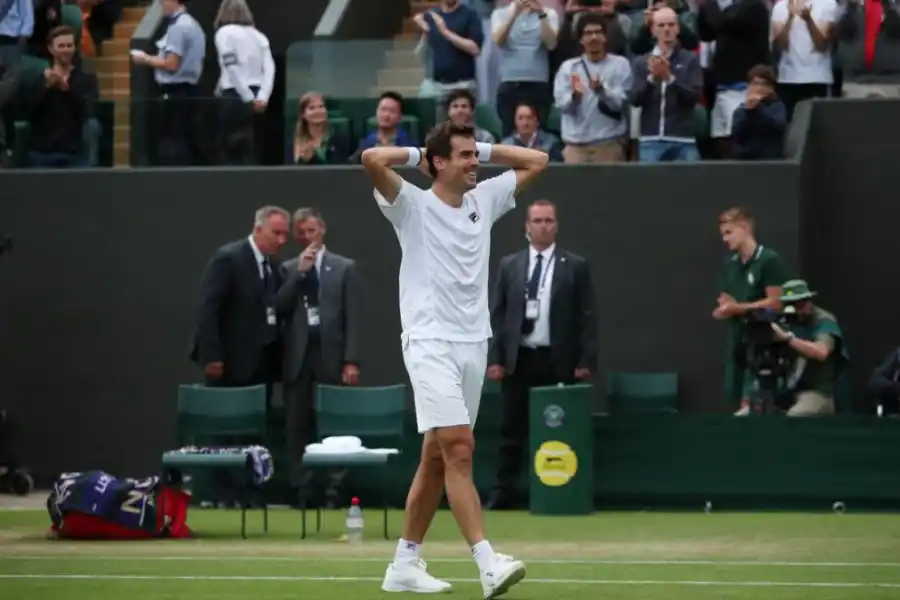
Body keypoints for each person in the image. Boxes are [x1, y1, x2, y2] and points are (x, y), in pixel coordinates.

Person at [361, 123, 549, 597]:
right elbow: (371, 159)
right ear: (438, 162)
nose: (475, 163)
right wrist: (418, 152)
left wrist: (480, 146)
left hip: (473, 342)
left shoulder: (484, 198)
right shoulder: (411, 205)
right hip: (428, 341)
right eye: (464, 156)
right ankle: (488, 563)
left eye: (476, 156)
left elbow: (538, 161)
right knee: (460, 448)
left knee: (436, 454)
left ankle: (404, 563)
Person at [485, 199, 597, 510]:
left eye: (549, 220)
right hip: (520, 358)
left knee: (558, 425)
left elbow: (587, 315)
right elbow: (497, 314)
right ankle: (503, 492)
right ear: (527, 227)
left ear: (556, 226)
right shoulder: (510, 265)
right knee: (511, 430)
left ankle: (559, 490)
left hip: (557, 359)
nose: (543, 226)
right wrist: (495, 358)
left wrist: (586, 359)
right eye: (538, 220)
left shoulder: (574, 265)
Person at [276, 207, 362, 508]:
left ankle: (335, 489)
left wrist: (351, 360)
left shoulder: (343, 267)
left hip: (332, 354)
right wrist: (299, 273)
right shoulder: (288, 268)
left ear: (322, 230)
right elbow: (280, 306)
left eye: (311, 231)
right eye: (301, 233)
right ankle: (302, 488)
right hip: (298, 355)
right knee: (297, 423)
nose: (307, 238)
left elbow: (352, 316)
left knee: (335, 422)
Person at [190, 206, 290, 398]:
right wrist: (211, 356)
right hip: (230, 363)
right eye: (276, 233)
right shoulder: (229, 258)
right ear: (258, 229)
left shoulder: (274, 266)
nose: (282, 240)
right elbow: (207, 307)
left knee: (260, 421)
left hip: (262, 365)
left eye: (285, 235)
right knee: (227, 421)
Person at [712, 207, 791, 414]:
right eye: (723, 234)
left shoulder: (769, 260)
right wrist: (725, 307)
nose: (725, 239)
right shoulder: (730, 264)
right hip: (736, 339)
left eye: (729, 233)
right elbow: (727, 298)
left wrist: (739, 308)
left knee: (755, 402)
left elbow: (776, 303)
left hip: (761, 341)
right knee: (736, 396)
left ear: (745, 228)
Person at [130, 0, 206, 165]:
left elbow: (172, 64)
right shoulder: (194, 25)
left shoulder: (178, 28)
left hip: (177, 95)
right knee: (187, 141)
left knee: (175, 146)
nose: (161, 5)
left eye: (164, 1)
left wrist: (145, 59)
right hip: (189, 92)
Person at [764, 279, 849, 416]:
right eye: (790, 305)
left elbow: (822, 352)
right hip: (786, 390)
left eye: (800, 305)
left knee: (794, 417)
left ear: (809, 302)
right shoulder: (785, 320)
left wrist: (789, 339)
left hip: (817, 391)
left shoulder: (824, 321)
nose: (796, 311)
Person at [212, 0, 275, 165]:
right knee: (253, 148)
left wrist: (247, 97)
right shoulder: (259, 35)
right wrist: (263, 97)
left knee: (230, 148)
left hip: (234, 96)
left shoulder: (224, 33)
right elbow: (269, 69)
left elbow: (231, 66)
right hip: (257, 95)